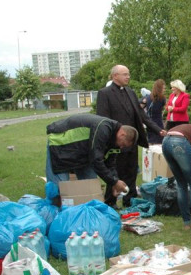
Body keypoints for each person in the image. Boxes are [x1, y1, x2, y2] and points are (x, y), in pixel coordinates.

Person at [96, 64, 166, 207]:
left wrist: (158, 130)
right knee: (115, 172)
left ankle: (130, 200)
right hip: (117, 141)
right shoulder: (105, 93)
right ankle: (111, 202)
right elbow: (103, 119)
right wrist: (111, 138)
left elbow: (142, 115)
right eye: (125, 74)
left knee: (131, 171)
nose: (128, 77)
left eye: (128, 74)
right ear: (115, 76)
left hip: (132, 140)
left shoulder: (130, 92)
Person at [45, 113, 138, 199]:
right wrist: (114, 182)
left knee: (92, 190)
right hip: (61, 147)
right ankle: (54, 209)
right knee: (59, 190)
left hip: (82, 153)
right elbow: (96, 159)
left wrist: (114, 182)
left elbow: (110, 164)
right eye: (123, 144)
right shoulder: (103, 128)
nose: (121, 147)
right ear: (122, 134)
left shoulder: (114, 141)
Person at [147, 79, 167, 144]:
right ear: (159, 89)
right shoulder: (162, 98)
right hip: (158, 122)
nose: (164, 90)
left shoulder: (148, 97)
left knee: (151, 141)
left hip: (149, 122)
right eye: (163, 88)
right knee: (159, 141)